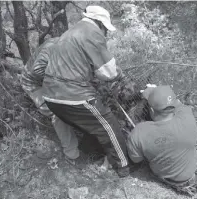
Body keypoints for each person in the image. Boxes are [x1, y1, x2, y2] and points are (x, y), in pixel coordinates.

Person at [41, 5, 131, 177]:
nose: (106, 33)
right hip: (71, 94)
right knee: (108, 123)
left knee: (89, 123)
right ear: (100, 23)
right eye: (105, 29)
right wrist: (120, 74)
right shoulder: (92, 32)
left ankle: (88, 153)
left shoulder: (70, 32)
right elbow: (108, 72)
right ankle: (124, 167)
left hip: (51, 96)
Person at [126, 84, 197, 194]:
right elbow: (179, 104)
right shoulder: (187, 116)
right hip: (191, 175)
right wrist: (157, 93)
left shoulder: (139, 132)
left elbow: (136, 159)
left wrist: (151, 93)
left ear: (151, 109)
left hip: (168, 180)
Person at [21, 37, 80, 160]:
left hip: (50, 80)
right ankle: (71, 153)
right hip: (33, 83)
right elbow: (36, 70)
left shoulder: (74, 48)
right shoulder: (53, 46)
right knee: (56, 111)